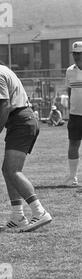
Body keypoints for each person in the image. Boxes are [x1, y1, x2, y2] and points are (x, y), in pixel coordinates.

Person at [0, 40, 52, 232]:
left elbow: (5, 105)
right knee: (8, 170)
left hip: (20, 121)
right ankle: (17, 216)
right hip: (21, 120)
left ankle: (39, 212)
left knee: (12, 170)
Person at [63, 41, 82, 187]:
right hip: (75, 115)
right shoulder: (70, 71)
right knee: (73, 144)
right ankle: (72, 177)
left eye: (79, 53)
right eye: (74, 54)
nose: (76, 56)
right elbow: (69, 92)